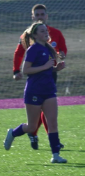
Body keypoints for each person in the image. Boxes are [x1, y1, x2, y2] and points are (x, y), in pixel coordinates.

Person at [4, 21, 66, 163]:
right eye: (42, 31)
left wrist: (56, 69)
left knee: (53, 123)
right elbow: (26, 70)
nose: (46, 33)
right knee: (32, 126)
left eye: (46, 31)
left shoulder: (49, 49)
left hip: (49, 90)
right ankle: (13, 133)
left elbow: (48, 69)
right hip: (34, 91)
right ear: (35, 35)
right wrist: (45, 66)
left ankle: (55, 156)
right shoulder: (33, 49)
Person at [13, 4, 67, 150]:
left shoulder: (54, 33)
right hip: (34, 79)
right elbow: (19, 54)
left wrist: (61, 57)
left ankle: (53, 144)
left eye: (42, 14)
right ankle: (33, 133)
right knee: (37, 114)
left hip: (50, 75)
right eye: (37, 15)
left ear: (46, 16)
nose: (40, 17)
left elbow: (62, 49)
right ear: (33, 17)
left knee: (48, 111)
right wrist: (15, 70)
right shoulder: (27, 36)